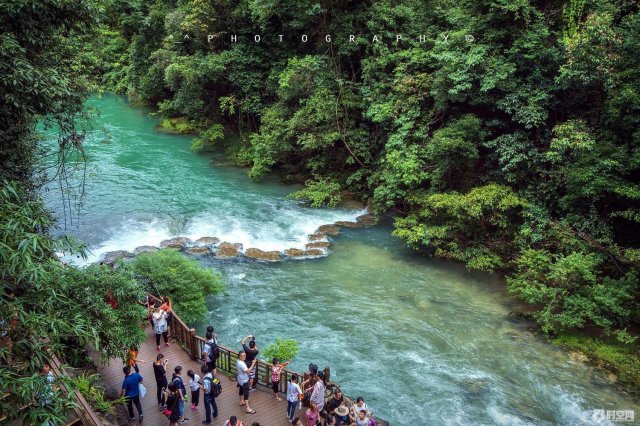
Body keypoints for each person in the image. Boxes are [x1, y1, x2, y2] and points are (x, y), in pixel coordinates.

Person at [237, 350, 257, 414]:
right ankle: (247, 408)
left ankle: (241, 401)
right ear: (240, 356)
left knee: (241, 390)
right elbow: (248, 371)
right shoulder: (241, 364)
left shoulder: (238, 361)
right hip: (244, 380)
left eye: (245, 355)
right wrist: (253, 363)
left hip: (240, 379)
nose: (245, 357)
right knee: (246, 393)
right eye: (243, 356)